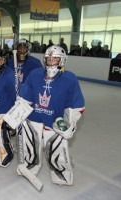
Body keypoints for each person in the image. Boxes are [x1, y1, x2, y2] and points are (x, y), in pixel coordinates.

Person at [5, 45, 85, 186]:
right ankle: (31, 164)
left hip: (54, 120)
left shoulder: (69, 78)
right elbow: (25, 98)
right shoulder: (35, 74)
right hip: (34, 118)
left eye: (54, 58)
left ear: (62, 60)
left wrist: (70, 122)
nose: (50, 61)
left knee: (57, 148)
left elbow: (76, 104)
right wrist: (15, 116)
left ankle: (61, 171)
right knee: (30, 143)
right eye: (48, 58)